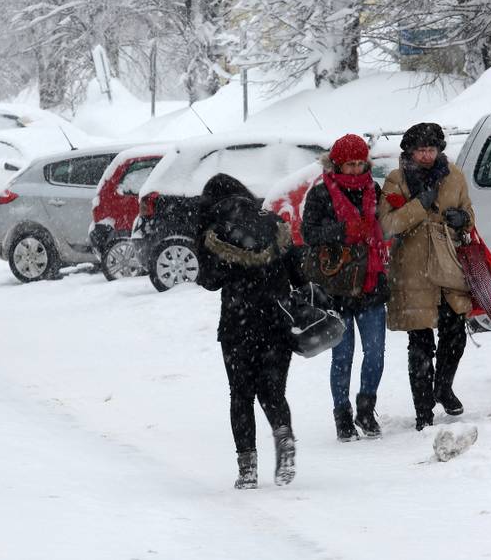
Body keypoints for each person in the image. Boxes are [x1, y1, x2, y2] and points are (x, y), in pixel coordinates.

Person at [195, 173, 301, 489]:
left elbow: (210, 280)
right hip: (277, 322)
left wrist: (203, 239)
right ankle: (284, 438)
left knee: (241, 395)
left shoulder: (216, 232)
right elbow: (298, 272)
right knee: (273, 391)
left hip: (238, 326)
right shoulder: (274, 222)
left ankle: (248, 469)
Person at [378, 123, 475, 430]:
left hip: (448, 266)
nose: (426, 156)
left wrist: (463, 219)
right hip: (413, 271)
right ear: (409, 151)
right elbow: (387, 225)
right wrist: (419, 206)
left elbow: (469, 214)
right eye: (421, 150)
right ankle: (424, 412)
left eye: (431, 149)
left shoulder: (454, 175)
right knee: (420, 344)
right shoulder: (396, 180)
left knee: (455, 334)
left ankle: (443, 387)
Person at [301, 134, 388, 442]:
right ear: (336, 164)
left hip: (370, 283)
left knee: (375, 353)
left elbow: (384, 227)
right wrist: (343, 231)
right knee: (342, 356)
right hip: (336, 287)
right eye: (349, 164)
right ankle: (342, 416)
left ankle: (366, 409)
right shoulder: (320, 193)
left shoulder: (373, 189)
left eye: (359, 163)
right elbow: (308, 233)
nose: (354, 169)